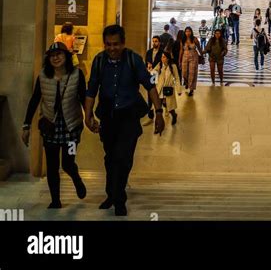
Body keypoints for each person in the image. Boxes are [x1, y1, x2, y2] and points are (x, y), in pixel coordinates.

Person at [84, 25, 163, 216]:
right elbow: (92, 89)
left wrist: (159, 112)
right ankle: (111, 193)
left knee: (123, 158)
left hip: (128, 117)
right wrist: (88, 115)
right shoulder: (99, 61)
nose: (112, 48)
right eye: (108, 44)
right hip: (109, 117)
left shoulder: (132, 59)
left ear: (123, 43)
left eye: (116, 44)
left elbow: (150, 85)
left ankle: (119, 199)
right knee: (110, 158)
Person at [22, 42, 87, 209]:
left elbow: (84, 98)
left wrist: (90, 117)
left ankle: (76, 178)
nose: (56, 58)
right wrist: (26, 125)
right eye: (52, 55)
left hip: (72, 128)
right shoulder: (43, 76)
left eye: (59, 54)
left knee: (68, 162)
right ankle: (55, 200)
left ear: (66, 56)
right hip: (50, 127)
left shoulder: (77, 75)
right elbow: (35, 100)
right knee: (51, 165)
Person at [152, 51, 182, 125]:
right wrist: (152, 72)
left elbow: (177, 78)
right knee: (158, 107)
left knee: (169, 107)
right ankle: (159, 124)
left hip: (168, 89)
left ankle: (174, 115)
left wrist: (179, 90)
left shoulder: (173, 66)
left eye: (164, 57)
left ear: (168, 58)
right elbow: (153, 72)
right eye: (162, 57)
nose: (162, 58)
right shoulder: (160, 65)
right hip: (160, 89)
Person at [179, 26, 203, 96]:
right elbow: (181, 50)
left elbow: (199, 48)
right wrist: (179, 60)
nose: (188, 33)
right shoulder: (183, 40)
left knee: (192, 73)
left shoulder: (194, 39)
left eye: (189, 31)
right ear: (185, 32)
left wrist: (202, 56)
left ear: (191, 32)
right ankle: (186, 82)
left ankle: (191, 89)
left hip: (194, 56)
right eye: (186, 31)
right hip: (185, 56)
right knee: (184, 73)